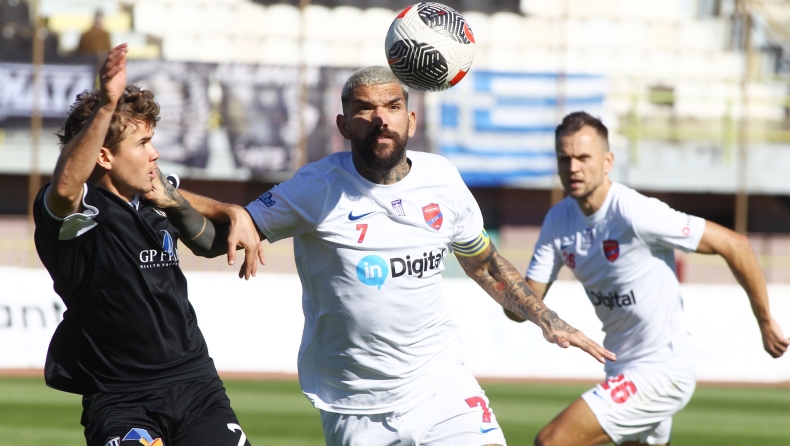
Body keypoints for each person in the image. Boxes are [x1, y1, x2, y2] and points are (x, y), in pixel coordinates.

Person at [181, 66, 616, 446]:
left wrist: (547, 319)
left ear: (411, 119)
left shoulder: (442, 180)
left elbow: (483, 263)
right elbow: (216, 239)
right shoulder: (316, 187)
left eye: (392, 106)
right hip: (354, 405)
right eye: (364, 109)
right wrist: (164, 193)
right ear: (343, 125)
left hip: (442, 387)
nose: (380, 119)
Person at [503, 111, 789, 446]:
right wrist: (493, 274)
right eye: (564, 159)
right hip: (620, 367)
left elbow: (736, 245)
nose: (573, 167)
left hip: (661, 369)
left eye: (583, 157)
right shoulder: (558, 221)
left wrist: (765, 320)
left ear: (607, 161)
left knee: (552, 441)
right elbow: (524, 305)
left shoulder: (634, 212)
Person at [33, 43, 260, 446]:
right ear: (104, 156)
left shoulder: (153, 198)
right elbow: (65, 187)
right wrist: (107, 105)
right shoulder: (76, 215)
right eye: (142, 144)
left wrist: (230, 210)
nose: (154, 154)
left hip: (197, 388)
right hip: (120, 398)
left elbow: (209, 243)